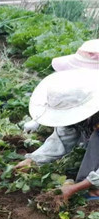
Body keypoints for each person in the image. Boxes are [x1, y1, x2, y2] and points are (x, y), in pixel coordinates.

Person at [15, 70, 99, 203]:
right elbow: (62, 139)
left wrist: (77, 187)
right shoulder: (79, 118)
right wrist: (33, 160)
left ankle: (95, 192)